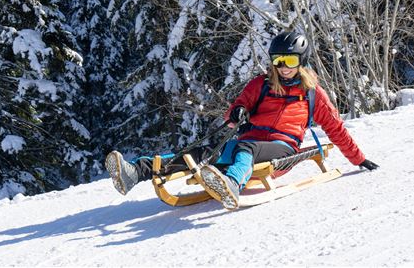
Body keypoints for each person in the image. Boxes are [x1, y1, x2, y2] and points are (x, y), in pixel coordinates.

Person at [105, 31, 379, 210]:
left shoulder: (312, 94)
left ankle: (232, 186)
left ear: (302, 62)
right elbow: (236, 110)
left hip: (282, 148)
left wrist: (358, 159)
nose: (283, 67)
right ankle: (136, 172)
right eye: (278, 61)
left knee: (246, 149)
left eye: (290, 61)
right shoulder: (260, 84)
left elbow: (335, 127)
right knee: (201, 153)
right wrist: (236, 114)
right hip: (248, 140)